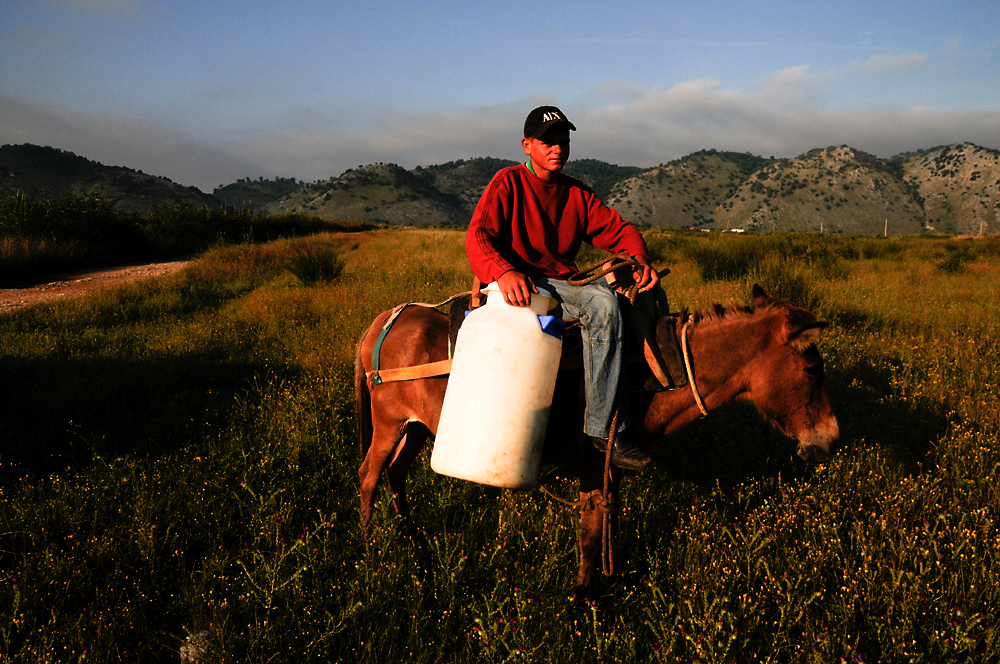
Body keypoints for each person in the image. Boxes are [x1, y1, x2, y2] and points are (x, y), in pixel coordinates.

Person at [465, 105, 660, 471]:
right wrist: (504, 272)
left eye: (563, 142)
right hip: (524, 283)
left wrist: (639, 261)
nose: (557, 149)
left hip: (561, 282)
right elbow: (479, 235)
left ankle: (650, 393)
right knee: (602, 305)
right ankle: (604, 432)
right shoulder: (507, 182)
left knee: (646, 291)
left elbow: (620, 230)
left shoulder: (575, 194)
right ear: (527, 145)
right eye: (547, 142)